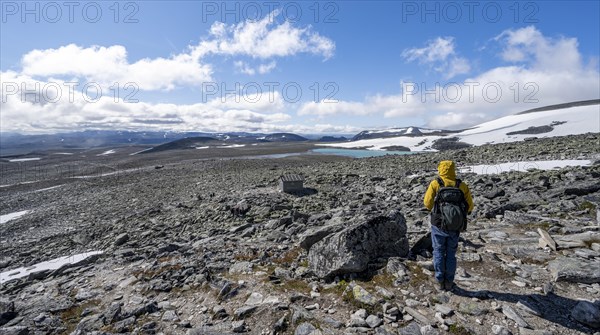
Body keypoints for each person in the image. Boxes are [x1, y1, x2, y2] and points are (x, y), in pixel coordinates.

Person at [423, 160, 473, 291]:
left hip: (438, 224)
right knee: (451, 253)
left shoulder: (436, 183)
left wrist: (435, 210)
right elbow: (470, 206)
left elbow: (427, 203)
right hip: (455, 225)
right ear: (453, 169)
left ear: (440, 169)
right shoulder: (461, 185)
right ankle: (449, 282)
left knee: (438, 251)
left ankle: (440, 281)